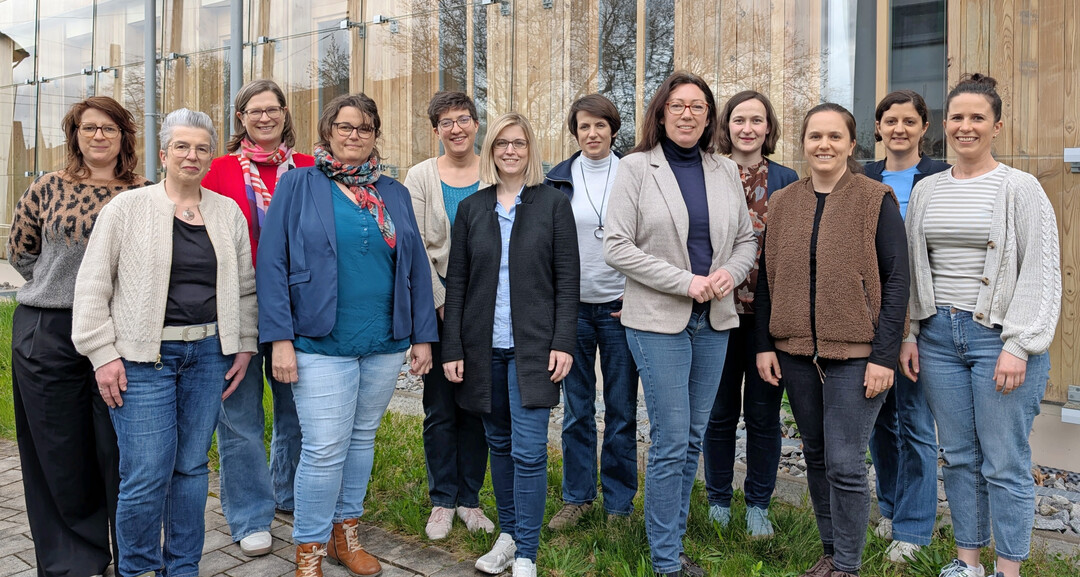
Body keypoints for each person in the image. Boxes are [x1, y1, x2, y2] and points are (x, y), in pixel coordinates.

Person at [256, 92, 438, 577]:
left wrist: (422, 336)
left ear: (375, 134)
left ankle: (346, 534)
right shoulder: (298, 184)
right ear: (328, 132)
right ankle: (309, 549)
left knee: (361, 441)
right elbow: (271, 265)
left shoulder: (393, 191)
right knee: (323, 447)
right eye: (345, 126)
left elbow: (415, 265)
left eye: (364, 128)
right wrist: (279, 339)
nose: (354, 135)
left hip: (382, 340)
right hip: (318, 341)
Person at [71, 108, 258, 577]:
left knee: (192, 469)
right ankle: (136, 570)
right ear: (164, 152)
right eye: (181, 146)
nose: (191, 155)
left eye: (200, 147)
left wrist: (245, 343)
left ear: (211, 155)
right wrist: (102, 354)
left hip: (209, 356)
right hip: (141, 361)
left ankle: (182, 567)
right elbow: (93, 286)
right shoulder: (128, 209)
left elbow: (246, 288)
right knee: (146, 474)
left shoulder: (227, 211)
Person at [899, 73, 1061, 577]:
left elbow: (1041, 269)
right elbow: (912, 265)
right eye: (957, 117)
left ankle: (1008, 569)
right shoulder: (927, 189)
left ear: (997, 126)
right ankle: (967, 560)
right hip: (939, 338)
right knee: (961, 457)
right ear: (943, 125)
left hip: (999, 339)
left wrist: (1020, 344)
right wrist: (909, 333)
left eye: (977, 118)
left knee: (1005, 462)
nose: (965, 127)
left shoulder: (1020, 188)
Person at [604, 71, 756, 577]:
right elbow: (617, 246)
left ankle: (674, 536)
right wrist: (685, 281)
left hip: (714, 319)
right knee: (671, 437)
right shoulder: (635, 168)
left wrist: (723, 278)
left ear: (709, 116)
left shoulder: (724, 170)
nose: (687, 114)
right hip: (657, 320)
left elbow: (745, 243)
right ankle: (666, 561)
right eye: (677, 105)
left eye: (697, 106)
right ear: (661, 113)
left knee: (692, 435)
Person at [754, 103, 909, 577]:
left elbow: (898, 279)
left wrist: (884, 355)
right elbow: (767, 278)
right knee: (817, 455)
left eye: (835, 137)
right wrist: (764, 343)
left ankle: (848, 564)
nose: (824, 145)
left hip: (857, 357)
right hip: (796, 352)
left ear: (852, 143)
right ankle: (830, 551)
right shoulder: (783, 203)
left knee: (844, 461)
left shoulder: (874, 198)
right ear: (803, 142)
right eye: (815, 136)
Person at [8, 96, 150, 577]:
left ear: (123, 136)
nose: (97, 136)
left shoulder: (144, 194)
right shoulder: (48, 186)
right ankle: (75, 562)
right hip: (47, 332)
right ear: (75, 135)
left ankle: (130, 552)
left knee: (117, 449)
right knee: (57, 450)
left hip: (119, 337)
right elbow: (21, 253)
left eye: (108, 128)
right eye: (88, 128)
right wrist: (61, 286)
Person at [441, 112, 579, 577]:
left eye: (519, 143)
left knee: (529, 449)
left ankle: (527, 552)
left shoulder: (553, 205)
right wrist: (453, 348)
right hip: (484, 348)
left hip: (534, 349)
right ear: (491, 150)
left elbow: (567, 280)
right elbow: (457, 284)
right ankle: (507, 535)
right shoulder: (472, 209)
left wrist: (563, 341)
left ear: (530, 149)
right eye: (502, 143)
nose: (510, 151)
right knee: (498, 443)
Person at [201, 78, 314, 557]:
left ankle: (286, 493)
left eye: (273, 109)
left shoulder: (311, 167)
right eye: (254, 111)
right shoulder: (218, 170)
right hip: (236, 306)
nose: (264, 118)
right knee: (240, 415)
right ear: (241, 118)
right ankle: (249, 514)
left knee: (297, 411)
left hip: (299, 308)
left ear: (285, 113)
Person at [701, 90, 799, 538]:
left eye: (756, 120)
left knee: (763, 416)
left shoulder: (787, 179)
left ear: (768, 128)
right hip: (715, 311)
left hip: (769, 318)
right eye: (739, 119)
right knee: (718, 414)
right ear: (726, 125)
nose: (747, 128)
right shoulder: (707, 172)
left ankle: (758, 504)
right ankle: (718, 500)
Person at [862, 89, 950, 563]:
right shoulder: (862, 176)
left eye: (909, 121)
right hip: (872, 317)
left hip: (922, 316)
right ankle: (893, 508)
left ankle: (914, 529)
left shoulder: (941, 176)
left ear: (923, 128)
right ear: (878, 128)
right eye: (890, 121)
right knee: (879, 422)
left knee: (915, 422)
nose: (899, 129)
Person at [543, 93, 639, 530]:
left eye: (600, 125)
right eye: (584, 126)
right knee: (577, 408)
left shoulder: (635, 173)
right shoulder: (556, 180)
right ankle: (577, 497)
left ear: (613, 129)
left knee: (621, 409)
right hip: (573, 310)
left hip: (622, 306)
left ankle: (619, 504)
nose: (593, 133)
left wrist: (638, 298)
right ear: (575, 131)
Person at [404, 91, 495, 540]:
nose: (456, 128)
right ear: (435, 129)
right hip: (436, 308)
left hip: (488, 310)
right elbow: (415, 247)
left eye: (464, 119)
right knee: (439, 407)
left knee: (476, 406)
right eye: (446, 122)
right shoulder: (419, 177)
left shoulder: (497, 171)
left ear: (477, 124)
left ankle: (470, 500)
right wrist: (441, 303)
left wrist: (476, 307)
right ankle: (442, 500)